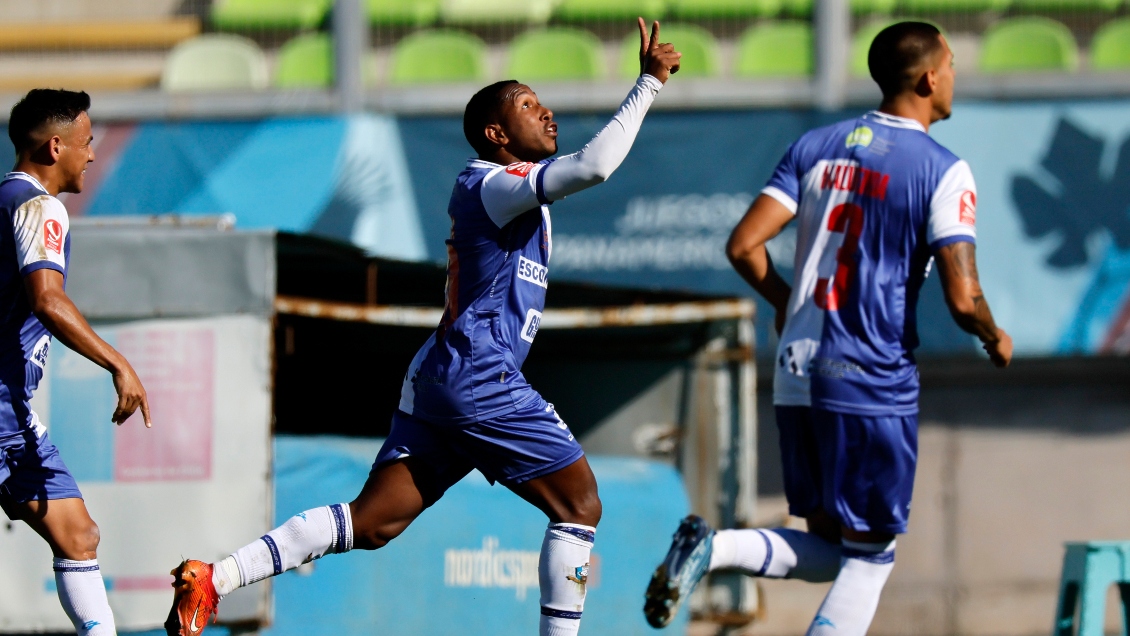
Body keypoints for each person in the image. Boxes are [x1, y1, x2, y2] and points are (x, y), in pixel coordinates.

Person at [164, 18, 681, 636]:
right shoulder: (492, 184)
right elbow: (594, 166)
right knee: (580, 504)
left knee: (372, 522)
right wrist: (648, 83)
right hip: (479, 375)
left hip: (443, 374)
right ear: (495, 134)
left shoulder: (511, 194)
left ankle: (215, 577)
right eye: (527, 105)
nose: (546, 113)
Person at [644, 22, 1012, 634]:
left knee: (835, 551)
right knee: (870, 560)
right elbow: (963, 298)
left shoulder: (816, 145)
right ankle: (716, 550)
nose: (954, 76)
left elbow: (743, 246)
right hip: (869, 374)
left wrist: (786, 301)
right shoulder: (942, 170)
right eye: (950, 65)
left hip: (798, 369)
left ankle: (714, 547)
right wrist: (994, 336)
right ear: (929, 79)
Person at [0, 89, 153, 636]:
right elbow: (48, 298)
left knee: (78, 535)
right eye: (86, 142)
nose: (91, 154)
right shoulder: (39, 207)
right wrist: (118, 363)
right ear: (55, 146)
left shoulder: (7, 200)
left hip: (13, 418)